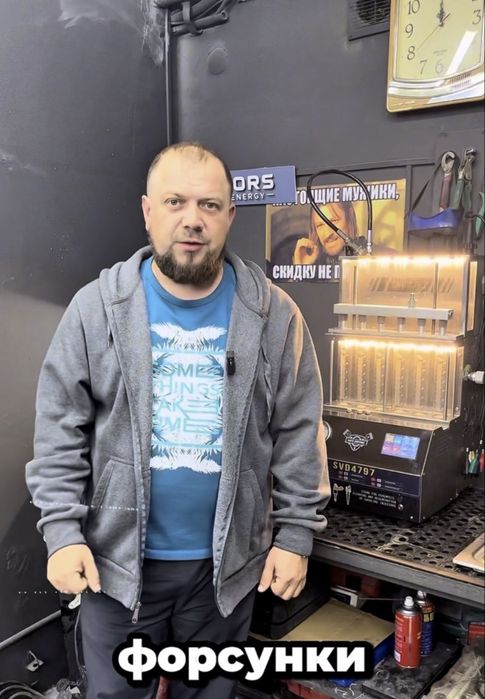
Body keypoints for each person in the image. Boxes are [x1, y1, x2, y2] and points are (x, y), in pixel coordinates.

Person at [25, 142, 330, 699]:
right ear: (148, 211)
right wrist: (62, 533)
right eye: (175, 202)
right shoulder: (95, 310)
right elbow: (58, 431)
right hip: (116, 569)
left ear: (230, 215)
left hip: (225, 574)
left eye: (209, 205)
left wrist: (295, 536)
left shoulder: (274, 316)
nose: (193, 219)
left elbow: (298, 430)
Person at [292, 201, 358, 265]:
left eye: (334, 221)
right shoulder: (317, 265)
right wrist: (301, 268)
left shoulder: (363, 257)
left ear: (350, 216)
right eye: (320, 225)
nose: (327, 234)